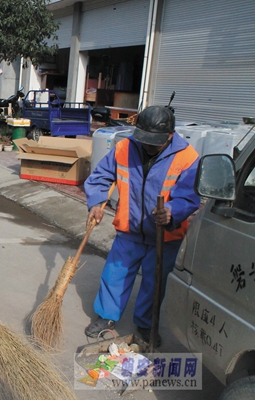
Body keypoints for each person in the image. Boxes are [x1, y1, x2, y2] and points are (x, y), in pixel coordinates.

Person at [83, 105, 201, 347]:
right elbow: (100, 177)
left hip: (165, 235)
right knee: (115, 274)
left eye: (153, 142)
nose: (147, 146)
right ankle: (106, 316)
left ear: (170, 135)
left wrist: (171, 212)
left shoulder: (188, 158)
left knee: (155, 283)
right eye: (144, 140)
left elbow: (189, 197)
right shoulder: (125, 147)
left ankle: (146, 324)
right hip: (130, 229)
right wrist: (96, 202)